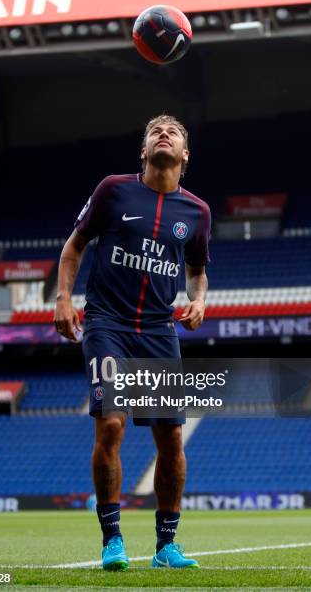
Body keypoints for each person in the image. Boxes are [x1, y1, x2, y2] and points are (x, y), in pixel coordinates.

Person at [54, 114, 211, 570]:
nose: (164, 134)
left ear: (185, 155)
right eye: (154, 132)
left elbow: (198, 271)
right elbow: (73, 247)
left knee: (171, 438)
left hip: (158, 331)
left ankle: (166, 547)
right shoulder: (113, 190)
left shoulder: (196, 212)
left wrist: (199, 301)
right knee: (112, 425)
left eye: (173, 132)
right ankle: (112, 541)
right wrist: (64, 298)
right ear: (143, 151)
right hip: (107, 323)